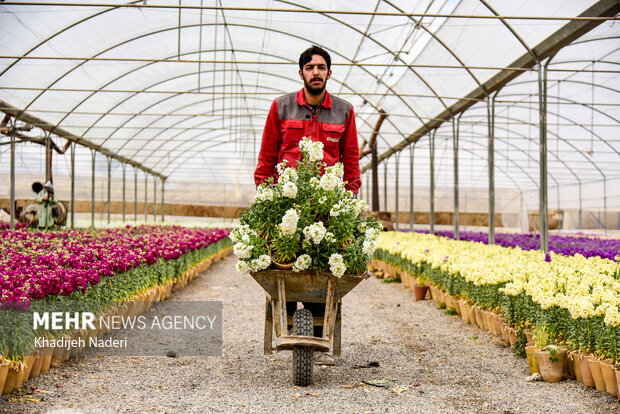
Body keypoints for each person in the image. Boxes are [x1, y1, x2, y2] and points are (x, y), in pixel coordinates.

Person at [254, 46, 361, 366]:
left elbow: (351, 162)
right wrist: (267, 197)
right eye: (310, 67)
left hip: (327, 208)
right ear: (300, 73)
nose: (316, 72)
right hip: (285, 203)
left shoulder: (344, 111)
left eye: (322, 67)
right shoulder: (281, 107)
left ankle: (315, 333)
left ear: (330, 73)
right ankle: (289, 324)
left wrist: (348, 199)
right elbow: (266, 159)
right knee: (282, 265)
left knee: (322, 267)